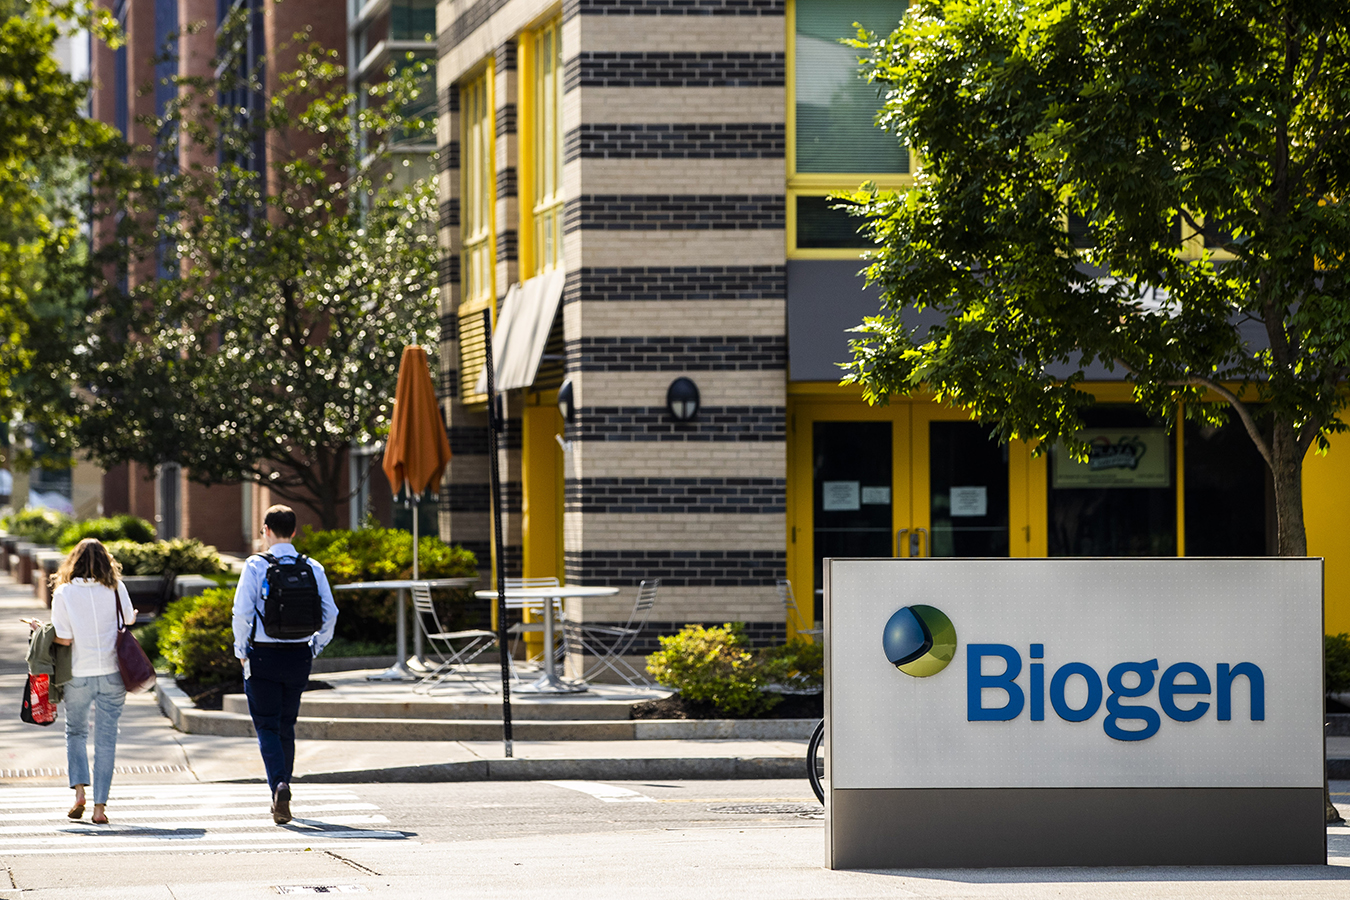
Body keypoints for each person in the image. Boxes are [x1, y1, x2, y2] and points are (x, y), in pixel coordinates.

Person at [231, 505, 337, 824]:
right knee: (286, 724)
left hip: (262, 655)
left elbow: (241, 612)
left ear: (266, 531)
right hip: (299, 655)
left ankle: (278, 784)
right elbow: (330, 613)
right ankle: (285, 785)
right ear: (293, 531)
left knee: (266, 724)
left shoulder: (255, 565)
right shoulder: (312, 567)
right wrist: (314, 645)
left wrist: (241, 650)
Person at [41, 539, 137, 825]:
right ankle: (99, 808)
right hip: (112, 673)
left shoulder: (64, 593)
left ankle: (80, 792)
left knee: (76, 732)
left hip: (78, 673)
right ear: (107, 561)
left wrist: (41, 631)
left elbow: (64, 638)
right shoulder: (117, 588)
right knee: (107, 741)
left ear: (74, 561)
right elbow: (128, 621)